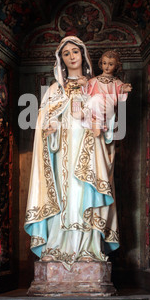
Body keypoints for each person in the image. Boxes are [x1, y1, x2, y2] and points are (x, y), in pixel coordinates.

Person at [24, 36, 120, 270]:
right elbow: (44, 116)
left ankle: (88, 248)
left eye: (74, 51)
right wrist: (51, 123)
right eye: (66, 53)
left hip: (88, 147)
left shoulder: (95, 84)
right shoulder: (56, 88)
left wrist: (92, 113)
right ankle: (56, 247)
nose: (71, 56)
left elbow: (110, 113)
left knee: (85, 191)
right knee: (63, 193)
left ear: (83, 54)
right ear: (61, 59)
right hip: (61, 151)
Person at [80, 50, 132, 137]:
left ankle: (91, 117)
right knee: (95, 99)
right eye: (104, 63)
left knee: (97, 98)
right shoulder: (94, 80)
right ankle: (94, 122)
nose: (107, 66)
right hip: (94, 109)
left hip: (108, 108)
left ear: (116, 66)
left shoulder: (116, 82)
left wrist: (124, 90)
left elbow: (120, 97)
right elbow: (86, 93)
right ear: (101, 63)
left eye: (110, 64)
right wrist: (84, 84)